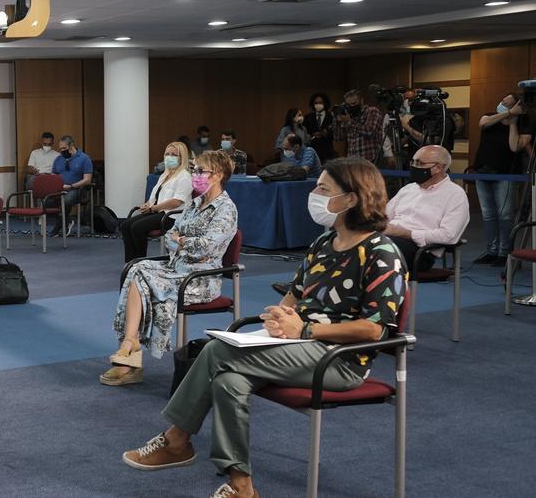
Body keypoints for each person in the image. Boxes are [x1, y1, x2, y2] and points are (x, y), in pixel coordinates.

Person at [121, 157, 406, 498]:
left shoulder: (381, 252)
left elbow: (374, 330)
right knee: (229, 381)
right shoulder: (323, 243)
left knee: (217, 350)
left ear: (352, 199)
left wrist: (305, 331)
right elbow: (295, 295)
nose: (313, 193)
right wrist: (278, 316)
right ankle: (242, 486)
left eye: (323, 188)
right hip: (298, 345)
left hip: (340, 359)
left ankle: (177, 439)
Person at [101, 150, 237, 386]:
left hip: (201, 279)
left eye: (201, 171)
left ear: (218, 175)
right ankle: (130, 343)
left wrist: (182, 240)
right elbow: (171, 236)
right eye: (194, 170)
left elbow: (205, 248)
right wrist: (182, 241)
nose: (196, 175)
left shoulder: (226, 209)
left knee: (145, 280)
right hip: (177, 268)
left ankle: (129, 355)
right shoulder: (195, 204)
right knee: (137, 269)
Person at [384, 145, 469, 271]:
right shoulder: (409, 189)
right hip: (390, 238)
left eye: (420, 163)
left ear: (439, 168)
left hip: (420, 251)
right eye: (413, 162)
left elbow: (449, 236)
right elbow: (384, 216)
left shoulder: (455, 195)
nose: (414, 166)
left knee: (378, 249)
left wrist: (408, 234)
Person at [471, 93, 530, 264]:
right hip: (482, 171)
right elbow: (483, 123)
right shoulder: (491, 116)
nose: (503, 104)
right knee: (488, 214)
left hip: (506, 173)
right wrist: (508, 113)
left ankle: (505, 253)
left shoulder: (524, 123)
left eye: (508, 103)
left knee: (504, 215)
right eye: (503, 101)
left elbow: (514, 147)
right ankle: (491, 250)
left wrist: (513, 122)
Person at [122, 142, 192, 262]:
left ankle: (140, 262)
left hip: (172, 216)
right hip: (158, 212)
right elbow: (156, 196)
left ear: (182, 158)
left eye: (174, 155)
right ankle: (130, 262)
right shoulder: (165, 174)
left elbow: (176, 202)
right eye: (167, 154)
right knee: (125, 225)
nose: (169, 157)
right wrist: (148, 204)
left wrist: (153, 208)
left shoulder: (185, 177)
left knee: (137, 228)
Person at [46, 135, 94, 235]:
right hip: (60, 188)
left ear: (71, 146)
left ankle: (59, 225)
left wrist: (71, 186)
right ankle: (67, 221)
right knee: (48, 200)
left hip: (76, 189)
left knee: (66, 200)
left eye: (64, 148)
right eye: (61, 148)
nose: (62, 151)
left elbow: (87, 180)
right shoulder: (59, 159)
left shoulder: (84, 158)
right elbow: (54, 175)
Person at [334, 88, 384, 164]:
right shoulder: (349, 115)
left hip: (370, 159)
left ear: (361, 101)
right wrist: (338, 122)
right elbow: (338, 138)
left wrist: (349, 122)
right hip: (352, 160)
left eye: (354, 104)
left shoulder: (372, 111)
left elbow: (369, 132)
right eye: (349, 105)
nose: (352, 106)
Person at [304, 92, 337, 161]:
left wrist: (327, 134)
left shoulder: (331, 117)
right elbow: (304, 133)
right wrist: (312, 135)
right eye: (316, 103)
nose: (318, 105)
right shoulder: (308, 117)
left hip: (327, 150)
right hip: (312, 149)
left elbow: (337, 134)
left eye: (320, 102)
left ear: (325, 103)